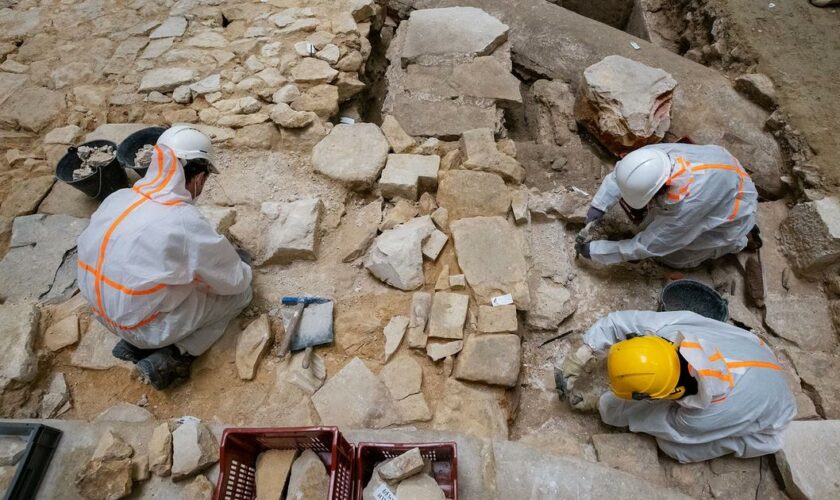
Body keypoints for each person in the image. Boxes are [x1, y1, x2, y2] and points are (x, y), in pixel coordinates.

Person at [76, 126, 252, 390]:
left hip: (101, 314)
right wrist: (244, 268)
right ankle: (175, 355)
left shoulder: (118, 198)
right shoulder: (182, 221)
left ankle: (133, 345)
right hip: (143, 327)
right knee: (241, 295)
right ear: (198, 177)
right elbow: (234, 281)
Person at [555, 310, 796, 463]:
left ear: (668, 395)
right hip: (757, 352)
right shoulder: (672, 333)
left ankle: (746, 437)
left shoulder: (702, 416)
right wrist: (582, 353)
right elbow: (621, 321)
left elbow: (646, 416)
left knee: (676, 448)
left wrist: (601, 404)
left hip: (773, 410)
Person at [576, 143, 759, 269]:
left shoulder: (688, 206)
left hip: (734, 211)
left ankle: (741, 240)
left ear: (661, 189)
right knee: (650, 224)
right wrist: (598, 206)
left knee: (673, 258)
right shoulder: (655, 158)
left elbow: (647, 246)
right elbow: (622, 173)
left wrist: (597, 251)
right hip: (724, 173)